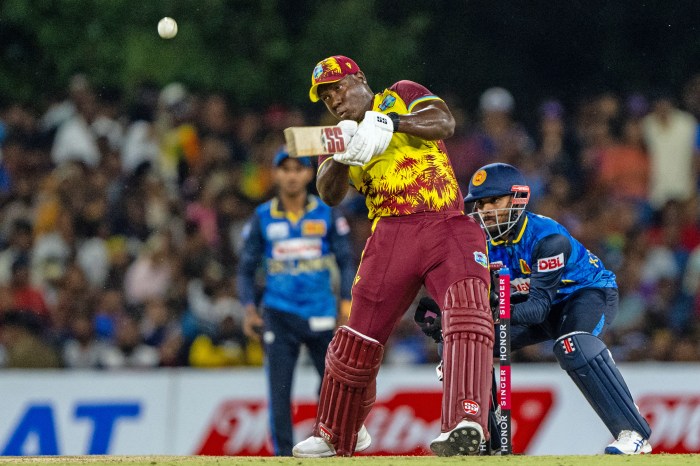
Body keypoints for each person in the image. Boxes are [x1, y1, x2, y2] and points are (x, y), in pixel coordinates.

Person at [292, 55, 493, 458]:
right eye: (325, 95)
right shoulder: (338, 134)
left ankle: (466, 419)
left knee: (467, 312)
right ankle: (337, 432)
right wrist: (340, 156)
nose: (333, 99)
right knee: (357, 338)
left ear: (360, 78)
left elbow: (444, 123)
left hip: (445, 221)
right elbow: (328, 195)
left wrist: (390, 123)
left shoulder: (399, 95)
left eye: (338, 87)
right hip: (390, 232)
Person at [461, 162, 652, 454]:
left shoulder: (548, 238)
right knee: (470, 341)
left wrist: (487, 314)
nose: (485, 210)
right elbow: (483, 296)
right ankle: (490, 443)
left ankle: (633, 432)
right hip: (538, 303)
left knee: (572, 343)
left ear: (517, 200)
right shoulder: (482, 244)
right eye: (481, 203)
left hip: (585, 294)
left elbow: (537, 309)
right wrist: (451, 319)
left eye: (493, 201)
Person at [237, 147, 355, 456]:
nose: (292, 176)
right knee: (279, 392)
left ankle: (332, 446)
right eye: (285, 169)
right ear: (276, 174)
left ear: (308, 174)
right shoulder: (262, 216)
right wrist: (249, 309)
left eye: (298, 169)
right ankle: (284, 458)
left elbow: (346, 261)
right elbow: (246, 268)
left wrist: (346, 306)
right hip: (279, 314)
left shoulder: (327, 211)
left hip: (322, 313)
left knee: (333, 387)